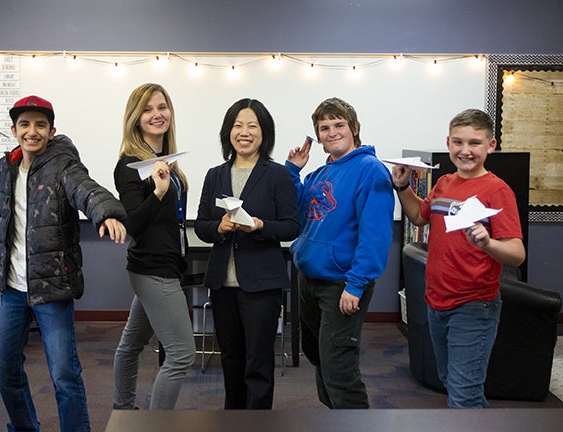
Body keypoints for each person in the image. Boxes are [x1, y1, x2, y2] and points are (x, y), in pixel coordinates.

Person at [0, 95, 127, 432]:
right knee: (5, 369)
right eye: (25, 125)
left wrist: (106, 212)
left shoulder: (62, 165)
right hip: (13, 289)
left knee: (65, 374)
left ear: (51, 131)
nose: (32, 131)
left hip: (51, 287)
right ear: (14, 130)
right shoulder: (8, 167)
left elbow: (87, 190)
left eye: (40, 125)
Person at [391, 108, 525, 408]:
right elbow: (418, 216)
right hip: (436, 301)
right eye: (458, 142)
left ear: (491, 145)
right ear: (448, 142)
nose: (465, 151)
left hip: (474, 306)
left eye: (475, 143)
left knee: (463, 396)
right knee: (454, 385)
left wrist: (488, 243)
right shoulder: (445, 183)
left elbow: (517, 254)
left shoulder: (497, 190)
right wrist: (402, 186)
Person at [286, 97, 394, 409]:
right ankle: (334, 418)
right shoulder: (319, 174)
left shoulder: (370, 171)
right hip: (309, 278)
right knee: (319, 357)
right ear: (317, 136)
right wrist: (293, 172)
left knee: (338, 367)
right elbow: (298, 216)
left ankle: (353, 421)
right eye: (324, 127)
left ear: (354, 129)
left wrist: (356, 284)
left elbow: (375, 236)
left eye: (338, 125)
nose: (331, 132)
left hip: (341, 284)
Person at [195, 98, 300, 409]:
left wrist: (260, 225)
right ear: (228, 132)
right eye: (238, 125)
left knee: (258, 362)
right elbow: (202, 225)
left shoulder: (277, 175)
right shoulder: (215, 174)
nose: (244, 132)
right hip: (223, 283)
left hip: (262, 285)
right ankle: (233, 420)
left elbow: (292, 226)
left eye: (252, 125)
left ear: (263, 132)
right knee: (230, 359)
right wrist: (220, 227)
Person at [112, 83, 196, 410]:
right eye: (147, 109)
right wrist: (158, 193)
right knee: (181, 355)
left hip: (164, 265)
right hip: (153, 269)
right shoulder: (131, 165)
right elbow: (133, 224)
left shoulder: (165, 160)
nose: (156, 114)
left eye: (162, 107)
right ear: (135, 118)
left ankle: (123, 413)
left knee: (130, 345)